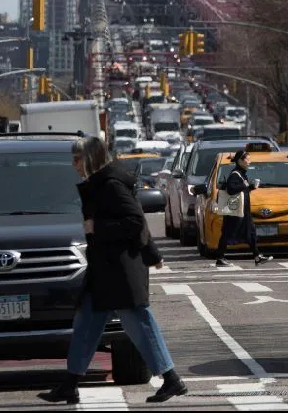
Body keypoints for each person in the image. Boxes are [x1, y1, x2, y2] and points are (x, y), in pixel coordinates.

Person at [38, 137, 186, 405]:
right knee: (86, 324)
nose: (73, 164)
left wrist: (98, 228)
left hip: (120, 271)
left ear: (91, 158)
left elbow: (134, 220)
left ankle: (171, 379)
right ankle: (70, 384)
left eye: (77, 159)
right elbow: (137, 220)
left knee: (139, 323)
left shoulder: (110, 185)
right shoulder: (102, 183)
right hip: (106, 270)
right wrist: (153, 255)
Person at [215, 149, 273, 268]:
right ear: (240, 161)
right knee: (227, 233)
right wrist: (245, 185)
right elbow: (231, 189)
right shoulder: (235, 174)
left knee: (251, 233)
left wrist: (251, 187)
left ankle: (257, 257)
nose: (249, 162)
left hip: (243, 211)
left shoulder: (241, 174)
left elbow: (241, 190)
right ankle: (220, 258)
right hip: (235, 212)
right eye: (247, 160)